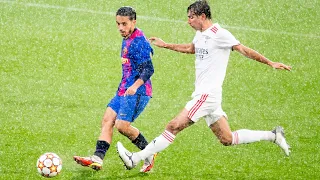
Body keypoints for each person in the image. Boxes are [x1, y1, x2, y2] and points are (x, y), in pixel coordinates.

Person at [116, 0, 291, 171]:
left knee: (173, 126)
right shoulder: (200, 34)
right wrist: (166, 44)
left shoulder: (220, 34)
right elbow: (191, 49)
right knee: (226, 138)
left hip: (207, 95)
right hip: (207, 95)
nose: (188, 21)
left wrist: (270, 63)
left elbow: (244, 50)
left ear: (202, 16)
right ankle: (273, 135)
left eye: (191, 17)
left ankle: (136, 158)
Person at [73, 6, 156, 173]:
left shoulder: (139, 41)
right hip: (123, 89)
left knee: (122, 126)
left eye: (124, 24)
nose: (120, 28)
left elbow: (149, 69)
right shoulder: (127, 36)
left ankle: (149, 152)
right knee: (107, 119)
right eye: (118, 24)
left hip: (137, 91)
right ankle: (97, 158)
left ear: (134, 22)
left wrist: (134, 86)